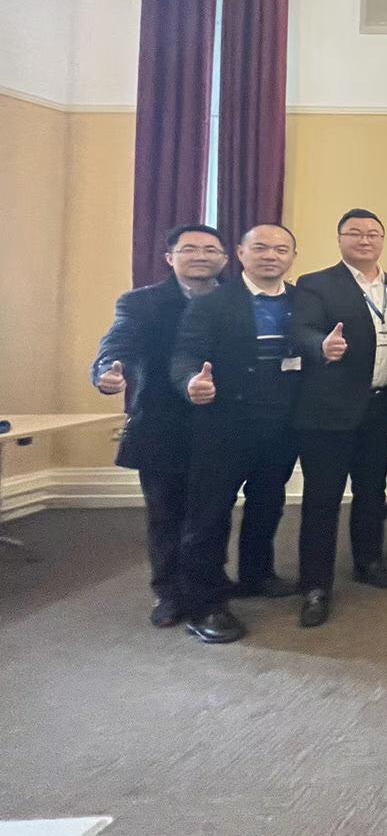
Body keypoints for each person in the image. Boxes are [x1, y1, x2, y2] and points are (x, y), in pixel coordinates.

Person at [169, 224, 305, 644]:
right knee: (210, 515)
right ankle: (205, 604)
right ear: (241, 255)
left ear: (292, 257)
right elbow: (185, 354)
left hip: (280, 424)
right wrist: (191, 382)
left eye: (280, 249)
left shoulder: (302, 301)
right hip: (224, 424)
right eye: (260, 247)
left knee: (268, 503)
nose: (271, 256)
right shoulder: (214, 302)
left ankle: (257, 574)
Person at [91, 224, 231, 627]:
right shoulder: (141, 303)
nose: (201, 255)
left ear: (225, 259)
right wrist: (108, 371)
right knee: (166, 515)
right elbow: (118, 344)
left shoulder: (237, 300)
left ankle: (209, 587)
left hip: (221, 425)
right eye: (189, 249)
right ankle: (169, 592)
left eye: (210, 249)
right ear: (170, 258)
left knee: (213, 515)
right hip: (162, 425)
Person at [291, 208, 387, 628]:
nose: (365, 240)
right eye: (355, 233)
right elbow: (301, 331)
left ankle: (368, 561)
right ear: (340, 238)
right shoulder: (316, 284)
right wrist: (320, 346)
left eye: (373, 234)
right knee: (323, 498)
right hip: (330, 409)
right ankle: (315, 585)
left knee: (372, 490)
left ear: (382, 239)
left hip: (382, 406)